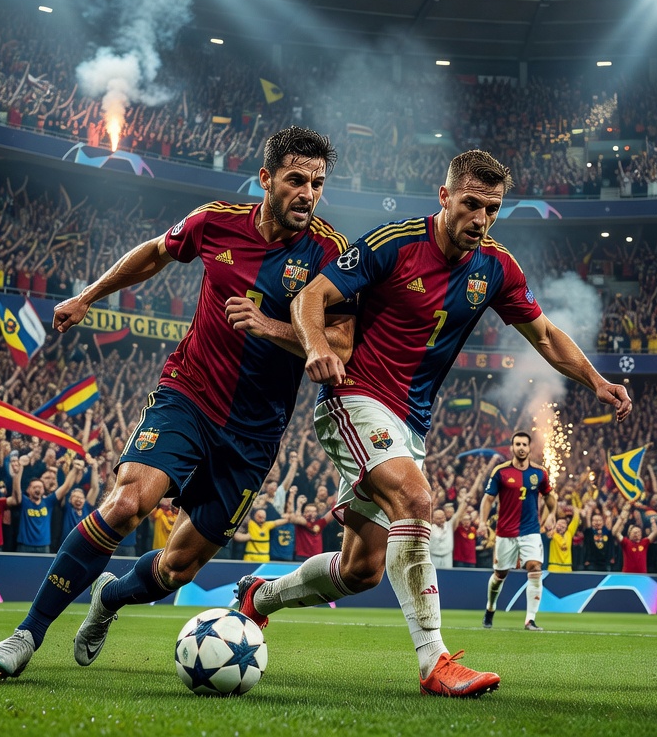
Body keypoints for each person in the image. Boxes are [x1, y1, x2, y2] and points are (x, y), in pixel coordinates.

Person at [237, 150, 632, 697]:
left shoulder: (496, 268)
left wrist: (597, 381)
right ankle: (434, 662)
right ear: (444, 197)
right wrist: (317, 346)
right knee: (417, 499)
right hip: (356, 397)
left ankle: (259, 596)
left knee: (360, 570)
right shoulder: (394, 243)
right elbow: (312, 295)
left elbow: (544, 335)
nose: (481, 218)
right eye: (471, 204)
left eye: (492, 209)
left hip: (412, 422)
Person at [0, 128, 353, 679]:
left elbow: (340, 345)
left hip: (254, 432)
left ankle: (108, 598)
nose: (308, 193)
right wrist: (87, 296)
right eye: (297, 180)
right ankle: (26, 635)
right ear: (266, 179)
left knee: (179, 567)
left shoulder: (331, 253)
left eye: (318, 183)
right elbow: (156, 253)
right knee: (128, 502)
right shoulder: (215, 222)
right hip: (189, 394)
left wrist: (269, 325)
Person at [478, 431, 554, 630]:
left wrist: (552, 514)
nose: (521, 448)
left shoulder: (539, 473)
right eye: (517, 444)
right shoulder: (500, 472)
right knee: (500, 575)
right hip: (505, 532)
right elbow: (488, 499)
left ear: (529, 448)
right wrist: (482, 522)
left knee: (535, 567)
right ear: (512, 447)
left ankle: (530, 620)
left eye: (524, 444)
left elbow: (549, 496)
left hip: (531, 530)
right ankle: (490, 608)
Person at [15, 455, 84, 554]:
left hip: (44, 546)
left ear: (43, 490)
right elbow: (16, 491)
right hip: (25, 546)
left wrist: (74, 469)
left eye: (40, 487)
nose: (37, 489)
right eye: (34, 487)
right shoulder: (25, 502)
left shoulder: (48, 502)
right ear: (28, 490)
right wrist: (20, 467)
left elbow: (66, 486)